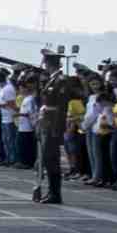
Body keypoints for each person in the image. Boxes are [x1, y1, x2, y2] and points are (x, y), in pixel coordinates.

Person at [33, 49, 83, 202]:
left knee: (51, 159)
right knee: (48, 159)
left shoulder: (61, 81)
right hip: (46, 123)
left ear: (50, 64)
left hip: (53, 125)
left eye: (46, 63)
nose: (45, 66)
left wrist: (56, 128)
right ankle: (51, 191)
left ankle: (55, 193)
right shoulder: (52, 80)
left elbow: (61, 108)